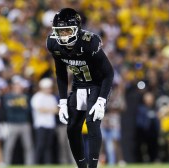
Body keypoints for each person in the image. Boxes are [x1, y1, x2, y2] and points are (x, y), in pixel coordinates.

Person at [46, 8, 114, 168]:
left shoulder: (89, 42)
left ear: (76, 29)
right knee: (72, 128)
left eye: (67, 30)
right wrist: (62, 101)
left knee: (92, 124)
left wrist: (102, 99)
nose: (63, 35)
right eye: (60, 31)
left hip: (97, 84)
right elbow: (61, 72)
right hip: (79, 86)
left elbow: (109, 73)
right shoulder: (53, 43)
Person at [31, 77, 58, 164]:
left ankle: (48, 163)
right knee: (40, 145)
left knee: (49, 146)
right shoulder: (37, 97)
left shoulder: (51, 97)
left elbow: (57, 110)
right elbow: (39, 109)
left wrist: (48, 110)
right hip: (41, 124)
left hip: (50, 124)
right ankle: (36, 163)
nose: (49, 89)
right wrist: (50, 110)